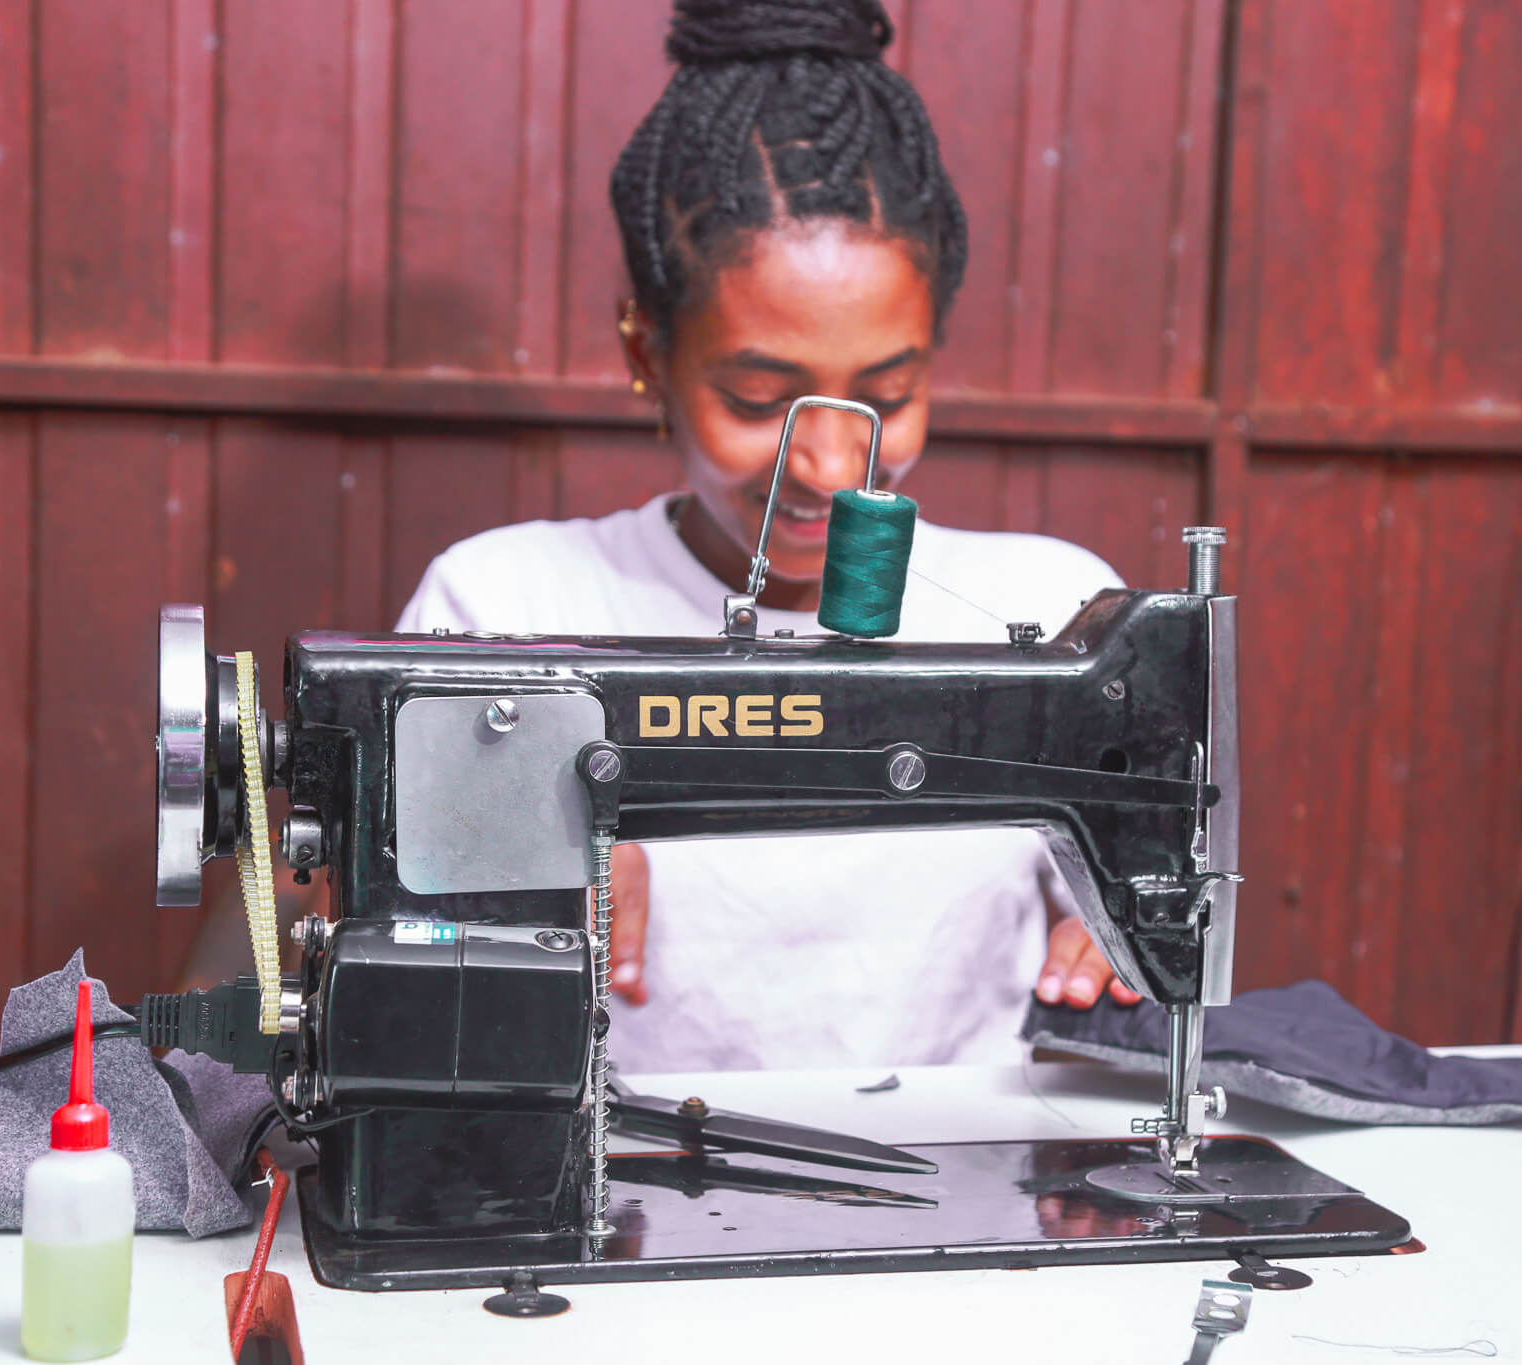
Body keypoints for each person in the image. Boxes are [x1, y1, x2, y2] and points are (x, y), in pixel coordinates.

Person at [391, 0, 1140, 1073]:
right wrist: (508, 885)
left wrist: (1111, 950)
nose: (833, 469)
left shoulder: (1065, 616)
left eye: (888, 393)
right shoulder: (501, 611)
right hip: (634, 1189)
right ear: (644, 350)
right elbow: (381, 953)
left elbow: (1145, 910)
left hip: (965, 1181)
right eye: (756, 398)